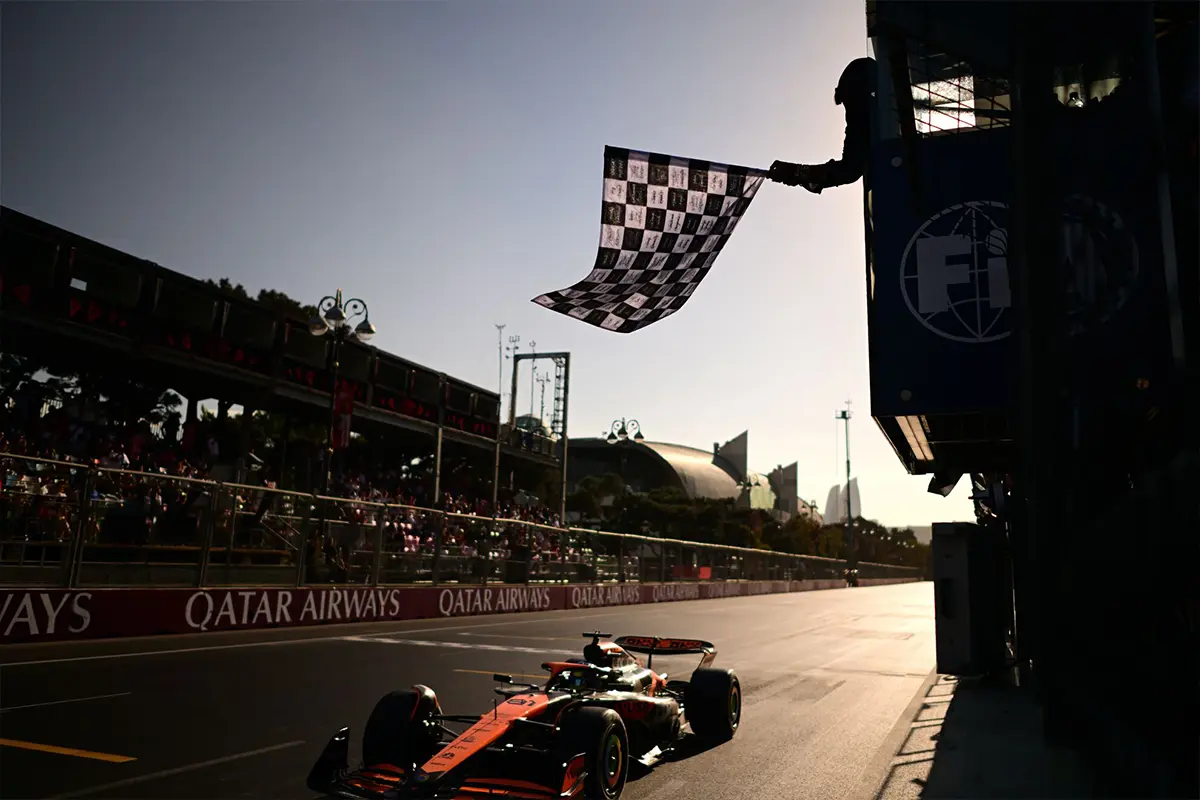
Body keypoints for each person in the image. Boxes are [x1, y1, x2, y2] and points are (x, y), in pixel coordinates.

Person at [769, 57, 877, 194]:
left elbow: (849, 168)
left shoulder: (862, 108)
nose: (846, 105)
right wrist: (797, 174)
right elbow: (849, 167)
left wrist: (796, 173)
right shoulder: (864, 107)